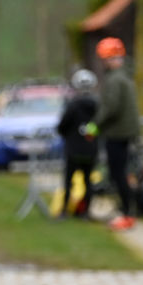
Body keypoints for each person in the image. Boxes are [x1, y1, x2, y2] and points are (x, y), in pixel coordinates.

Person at [94, 37, 140, 231]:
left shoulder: (115, 79)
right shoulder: (125, 77)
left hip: (117, 133)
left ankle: (127, 214)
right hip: (126, 132)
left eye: (104, 59)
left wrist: (94, 126)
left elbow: (110, 108)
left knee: (118, 174)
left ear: (111, 58)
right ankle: (127, 211)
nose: (103, 63)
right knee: (123, 173)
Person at [56, 69, 100, 219]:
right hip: (91, 149)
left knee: (69, 181)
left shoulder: (72, 105)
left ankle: (64, 212)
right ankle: (86, 212)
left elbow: (62, 126)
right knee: (88, 181)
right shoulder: (98, 106)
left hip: (73, 150)